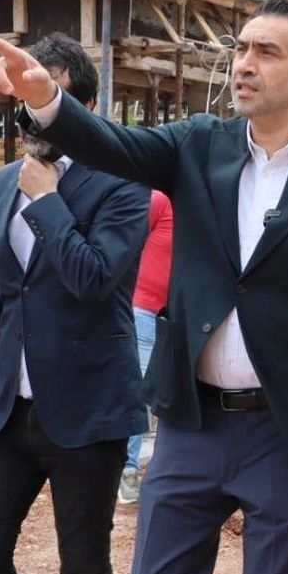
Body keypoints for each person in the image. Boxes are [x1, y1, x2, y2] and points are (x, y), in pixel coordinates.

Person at [0, 0, 288, 574]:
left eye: (267, 52)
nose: (244, 64)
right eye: (242, 49)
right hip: (191, 422)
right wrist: (45, 97)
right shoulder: (199, 144)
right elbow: (112, 144)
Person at [0, 33, 148, 574]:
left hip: (88, 407)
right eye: (23, 100)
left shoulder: (122, 181)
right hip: (5, 410)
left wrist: (46, 201)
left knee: (83, 569)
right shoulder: (1, 183)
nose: (31, 115)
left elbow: (93, 278)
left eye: (46, 99)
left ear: (83, 108)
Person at [120, 188, 173, 504]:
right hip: (143, 310)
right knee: (140, 390)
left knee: (167, 393)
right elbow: (122, 241)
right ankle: (127, 469)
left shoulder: (194, 209)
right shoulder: (157, 201)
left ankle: (161, 470)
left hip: (173, 315)